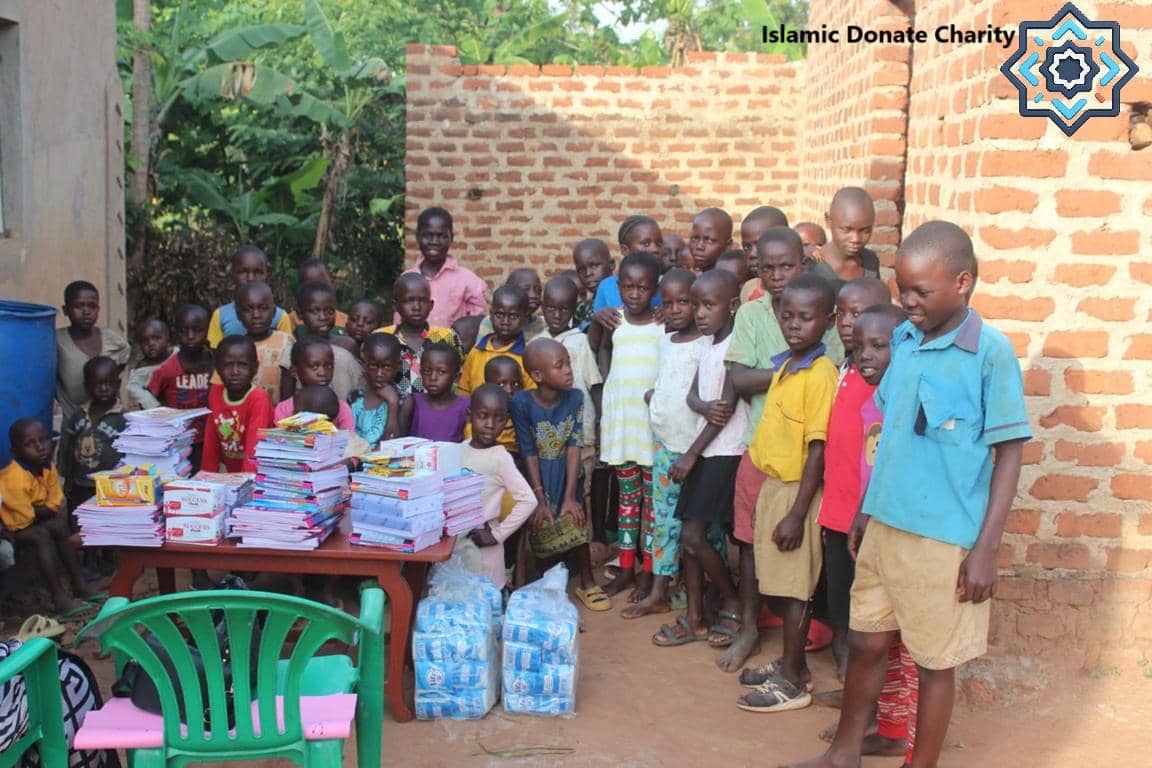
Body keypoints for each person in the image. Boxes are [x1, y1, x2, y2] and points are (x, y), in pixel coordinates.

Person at [787, 221, 1031, 768]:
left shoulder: (989, 354)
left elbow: (1009, 453)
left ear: (963, 282)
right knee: (867, 641)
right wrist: (867, 508)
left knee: (933, 660)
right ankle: (844, 752)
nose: (907, 301)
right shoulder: (903, 339)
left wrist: (986, 549)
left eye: (922, 291)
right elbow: (891, 433)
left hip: (943, 539)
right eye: (902, 289)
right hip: (886, 523)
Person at [717, 228, 844, 674]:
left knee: (798, 570)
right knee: (753, 550)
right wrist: (786, 372)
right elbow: (737, 379)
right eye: (766, 268)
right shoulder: (762, 324)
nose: (775, 275)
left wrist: (784, 374)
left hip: (797, 480)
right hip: (761, 458)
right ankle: (758, 634)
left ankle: (798, 667)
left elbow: (819, 442)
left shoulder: (816, 363)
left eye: (785, 266)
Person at [814, 301, 914, 761]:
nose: (865, 355)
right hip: (855, 522)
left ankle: (888, 724)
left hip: (892, 532)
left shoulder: (902, 400)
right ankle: (876, 718)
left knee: (888, 640)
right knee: (863, 630)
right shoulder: (868, 391)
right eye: (858, 347)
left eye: (878, 346)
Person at [735, 273, 838, 714]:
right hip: (775, 485)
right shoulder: (785, 366)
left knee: (795, 591)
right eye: (787, 315)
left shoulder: (820, 375)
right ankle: (791, 663)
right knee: (779, 583)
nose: (794, 325)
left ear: (828, 322)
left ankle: (793, 681)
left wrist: (796, 513)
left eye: (806, 318)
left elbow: (818, 449)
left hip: (799, 491)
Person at [651, 269, 745, 645]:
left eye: (710, 305)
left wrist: (690, 454)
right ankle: (695, 618)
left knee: (693, 536)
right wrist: (701, 405)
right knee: (690, 541)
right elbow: (696, 398)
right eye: (699, 306)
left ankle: (732, 600)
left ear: (733, 306)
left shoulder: (735, 347)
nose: (702, 314)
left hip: (722, 452)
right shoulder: (708, 344)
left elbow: (723, 414)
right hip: (704, 449)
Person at [816, 278, 894, 682]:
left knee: (865, 608)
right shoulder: (846, 366)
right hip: (837, 507)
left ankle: (859, 696)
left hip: (864, 512)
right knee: (841, 602)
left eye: (859, 313)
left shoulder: (882, 378)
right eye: (843, 313)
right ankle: (849, 688)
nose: (848, 322)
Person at [620, 268, 707, 619]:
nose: (675, 310)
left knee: (700, 528)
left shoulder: (706, 343)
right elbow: (668, 380)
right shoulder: (666, 340)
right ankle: (659, 589)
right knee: (663, 521)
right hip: (665, 445)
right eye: (667, 303)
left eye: (683, 301)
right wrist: (655, 396)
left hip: (695, 450)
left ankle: (697, 590)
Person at [511, 339, 610, 611]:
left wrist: (570, 495)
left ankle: (587, 582)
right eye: (560, 366)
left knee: (576, 520)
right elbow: (528, 450)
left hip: (567, 474)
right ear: (538, 376)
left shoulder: (575, 397)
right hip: (536, 476)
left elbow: (574, 444)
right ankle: (546, 586)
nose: (568, 370)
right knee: (541, 527)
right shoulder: (521, 403)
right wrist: (539, 498)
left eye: (569, 363)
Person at [597, 251, 664, 599]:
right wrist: (611, 380)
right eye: (627, 286)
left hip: (651, 425)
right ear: (618, 286)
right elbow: (601, 349)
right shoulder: (613, 319)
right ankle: (625, 567)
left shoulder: (664, 323)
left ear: (654, 289)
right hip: (623, 421)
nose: (634, 294)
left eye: (642, 287)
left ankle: (650, 571)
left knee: (652, 501)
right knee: (627, 497)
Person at [0, 419, 99, 616]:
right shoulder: (14, 478)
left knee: (60, 527)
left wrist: (40, 509)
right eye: (30, 444)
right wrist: (41, 509)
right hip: (10, 527)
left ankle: (80, 584)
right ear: (16, 453)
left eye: (43, 440)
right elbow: (22, 519)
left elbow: (55, 503)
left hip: (29, 519)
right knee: (41, 536)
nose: (40, 447)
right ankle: (59, 598)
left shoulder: (47, 467)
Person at [460, 384, 536, 589]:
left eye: (499, 418)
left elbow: (529, 500)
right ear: (470, 415)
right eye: (483, 416)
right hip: (460, 544)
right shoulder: (460, 449)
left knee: (488, 601)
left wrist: (498, 534)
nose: (490, 424)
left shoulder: (501, 457)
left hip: (486, 547)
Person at [540, 276, 602, 518]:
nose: (556, 314)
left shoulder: (581, 342)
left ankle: (578, 548)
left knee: (578, 490)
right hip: (544, 434)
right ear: (542, 307)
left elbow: (594, 385)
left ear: (573, 309)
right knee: (549, 490)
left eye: (563, 309)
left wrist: (600, 425)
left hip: (579, 433)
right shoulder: (536, 342)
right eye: (551, 308)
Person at [375, 273, 463, 400]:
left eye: (422, 300)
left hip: (436, 412)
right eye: (409, 301)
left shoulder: (447, 337)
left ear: (431, 305)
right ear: (396, 305)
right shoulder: (382, 338)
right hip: (393, 412)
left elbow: (458, 374)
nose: (416, 307)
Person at [149, 304, 214, 470]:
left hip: (207, 438)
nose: (190, 336)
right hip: (177, 439)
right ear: (176, 333)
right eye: (184, 331)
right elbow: (150, 397)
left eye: (197, 330)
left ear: (207, 331)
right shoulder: (168, 368)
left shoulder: (214, 363)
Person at [59, 357, 127, 515]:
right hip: (79, 484)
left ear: (117, 383)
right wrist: (67, 479)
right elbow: (68, 446)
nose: (103, 388)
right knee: (77, 520)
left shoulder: (123, 418)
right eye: (97, 384)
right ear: (87, 386)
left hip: (110, 486)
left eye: (108, 383)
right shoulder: (78, 415)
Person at [399, 206, 488, 327]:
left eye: (442, 236)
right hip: (414, 344)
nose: (434, 242)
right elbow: (399, 322)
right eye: (428, 235)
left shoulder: (468, 280)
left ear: (451, 238)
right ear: (418, 237)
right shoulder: (407, 279)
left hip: (453, 344)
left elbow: (479, 323)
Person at [55, 281, 130, 421]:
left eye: (92, 306)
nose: (86, 312)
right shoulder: (56, 342)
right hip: (76, 425)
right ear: (66, 310)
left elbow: (118, 371)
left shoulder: (112, 340)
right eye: (78, 306)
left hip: (112, 422)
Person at [201, 336, 273, 474]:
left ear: (255, 368)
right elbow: (211, 445)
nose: (235, 372)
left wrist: (243, 485)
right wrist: (205, 480)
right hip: (233, 473)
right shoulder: (215, 394)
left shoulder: (258, 398)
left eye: (243, 365)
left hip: (259, 475)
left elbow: (254, 450)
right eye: (228, 365)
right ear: (217, 368)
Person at [288, 282, 364, 400]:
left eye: (329, 311)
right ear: (300, 314)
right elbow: (286, 396)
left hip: (346, 413)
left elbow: (359, 383)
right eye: (315, 311)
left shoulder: (348, 344)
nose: (323, 317)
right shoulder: (295, 348)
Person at [207, 245, 293, 348]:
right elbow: (215, 354)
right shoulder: (221, 316)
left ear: (266, 275)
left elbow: (288, 352)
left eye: (258, 272)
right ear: (232, 274)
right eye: (243, 272)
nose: (251, 278)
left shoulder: (280, 317)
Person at [458, 284, 534, 395]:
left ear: (525, 317)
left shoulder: (528, 357)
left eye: (513, 316)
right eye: (499, 314)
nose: (505, 322)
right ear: (491, 313)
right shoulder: (476, 352)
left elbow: (531, 399)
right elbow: (464, 392)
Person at [232, 281, 295, 405]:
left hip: (281, 416)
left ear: (273, 312)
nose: (256, 315)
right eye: (248, 309)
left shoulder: (287, 342)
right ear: (239, 315)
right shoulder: (235, 348)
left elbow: (293, 383)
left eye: (263, 308)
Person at [808, 187, 881, 291]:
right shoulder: (813, 265)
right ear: (829, 220)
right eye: (847, 230)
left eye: (865, 230)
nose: (856, 239)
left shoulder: (870, 262)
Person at [273, 338, 354, 430]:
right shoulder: (284, 409)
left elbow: (349, 439)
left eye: (329, 366)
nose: (322, 373)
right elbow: (280, 439)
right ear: (294, 371)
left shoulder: (342, 408)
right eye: (314, 366)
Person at [406, 342, 469, 442]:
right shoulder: (413, 402)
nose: (433, 377)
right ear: (421, 373)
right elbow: (398, 440)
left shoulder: (466, 406)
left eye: (441, 372)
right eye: (427, 371)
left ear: (456, 377)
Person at [348, 332, 402, 446]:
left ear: (398, 366)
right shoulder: (354, 397)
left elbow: (393, 442)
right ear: (364, 365)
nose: (379, 373)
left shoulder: (404, 400)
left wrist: (393, 403)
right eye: (373, 366)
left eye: (386, 367)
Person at [479, 268, 546, 342]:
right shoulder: (490, 322)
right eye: (526, 289)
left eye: (538, 290)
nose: (534, 295)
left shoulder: (543, 325)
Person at [739, 206, 789, 302]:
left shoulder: (803, 292)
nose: (752, 254)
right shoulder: (749, 290)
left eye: (759, 244)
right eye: (746, 247)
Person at [122, 319, 169, 410]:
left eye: (156, 338)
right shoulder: (141, 371)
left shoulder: (177, 355)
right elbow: (134, 388)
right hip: (156, 413)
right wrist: (156, 406)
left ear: (167, 338)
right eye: (144, 341)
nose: (151, 343)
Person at [290, 259, 349, 330]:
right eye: (310, 287)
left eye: (322, 286)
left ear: (332, 284)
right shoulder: (291, 321)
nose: (317, 293)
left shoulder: (346, 322)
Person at [572, 237, 615, 327]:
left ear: (612, 264)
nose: (588, 274)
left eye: (594, 266)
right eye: (581, 270)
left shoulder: (629, 299)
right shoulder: (582, 309)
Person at [687, 208, 734, 273]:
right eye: (695, 238)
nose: (699, 246)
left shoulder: (727, 281)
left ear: (728, 245)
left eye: (709, 240)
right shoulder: (692, 278)